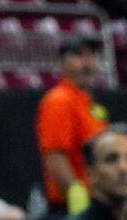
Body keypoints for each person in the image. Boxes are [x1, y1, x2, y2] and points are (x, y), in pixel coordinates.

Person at [37, 35, 110, 211]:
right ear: (62, 64)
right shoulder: (59, 100)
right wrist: (74, 192)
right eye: (78, 55)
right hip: (72, 205)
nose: (87, 63)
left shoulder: (87, 102)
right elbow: (55, 156)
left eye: (92, 55)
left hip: (98, 198)